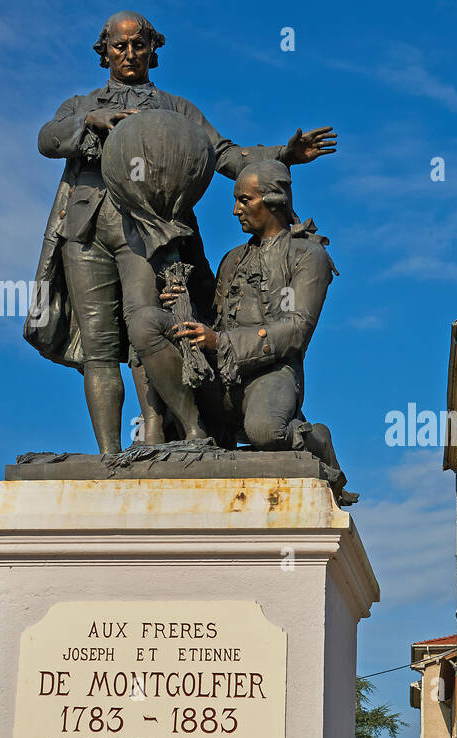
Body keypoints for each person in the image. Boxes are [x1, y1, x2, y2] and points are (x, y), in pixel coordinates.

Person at [25, 10, 336, 453]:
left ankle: (154, 434)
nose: (129, 53)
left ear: (153, 49)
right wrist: (89, 123)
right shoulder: (81, 105)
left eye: (138, 45)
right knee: (98, 347)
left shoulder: (178, 111)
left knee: (144, 330)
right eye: (119, 45)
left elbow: (228, 155)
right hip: (88, 229)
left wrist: (282, 154)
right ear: (104, 52)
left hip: (149, 233)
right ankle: (110, 455)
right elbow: (47, 140)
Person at [131, 160, 355, 503]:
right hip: (219, 373)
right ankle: (196, 429)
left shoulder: (309, 256)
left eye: (245, 200)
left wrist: (221, 341)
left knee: (266, 432)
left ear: (274, 200)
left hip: (272, 373)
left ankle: (316, 439)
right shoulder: (232, 259)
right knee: (145, 321)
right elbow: (215, 320)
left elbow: (297, 330)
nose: (236, 210)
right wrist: (182, 307)